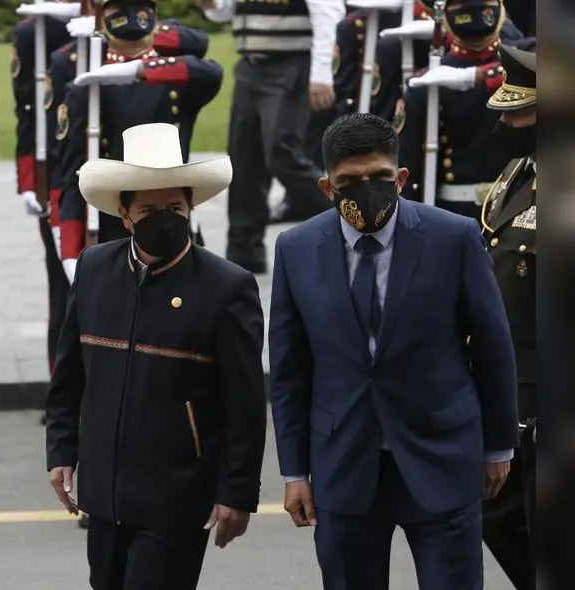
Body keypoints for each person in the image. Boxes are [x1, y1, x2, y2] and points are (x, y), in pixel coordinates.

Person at [268, 112, 519, 589]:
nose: (366, 189)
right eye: (349, 181)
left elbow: (492, 346)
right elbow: (289, 370)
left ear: (401, 178)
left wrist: (497, 446)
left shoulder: (454, 237)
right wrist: (295, 470)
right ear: (327, 188)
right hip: (343, 465)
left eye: (380, 178)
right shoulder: (295, 249)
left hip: (442, 455)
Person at [45, 122, 266, 590]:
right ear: (124, 214)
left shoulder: (227, 288)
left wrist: (237, 493)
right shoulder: (94, 268)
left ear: (191, 208)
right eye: (149, 209)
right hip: (104, 495)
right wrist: (61, 450)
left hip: (178, 499)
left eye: (175, 208)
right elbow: (70, 377)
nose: (163, 218)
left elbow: (245, 405)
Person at [55, 0, 223, 285]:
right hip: (118, 215)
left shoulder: (173, 78)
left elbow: (211, 72)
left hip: (174, 209)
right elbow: (74, 171)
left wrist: (140, 70)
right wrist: (71, 247)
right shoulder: (89, 87)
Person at [197, 0, 343, 273]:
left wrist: (322, 73)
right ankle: (244, 253)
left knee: (281, 152)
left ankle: (348, 213)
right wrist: (211, 5)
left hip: (292, 65)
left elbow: (328, 13)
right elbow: (227, 11)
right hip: (250, 67)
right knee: (244, 158)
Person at [478, 41, 536, 590]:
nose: (508, 121)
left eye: (521, 112)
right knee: (495, 514)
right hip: (510, 384)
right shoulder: (519, 173)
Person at [10, 1, 80, 428]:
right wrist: (29, 179)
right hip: (59, 172)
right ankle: (65, 388)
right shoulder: (32, 34)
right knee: (64, 283)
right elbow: (30, 111)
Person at [397, 0, 523, 219]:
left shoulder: (522, 67)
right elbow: (406, 166)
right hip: (453, 210)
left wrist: (478, 76)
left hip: (512, 203)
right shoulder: (426, 83)